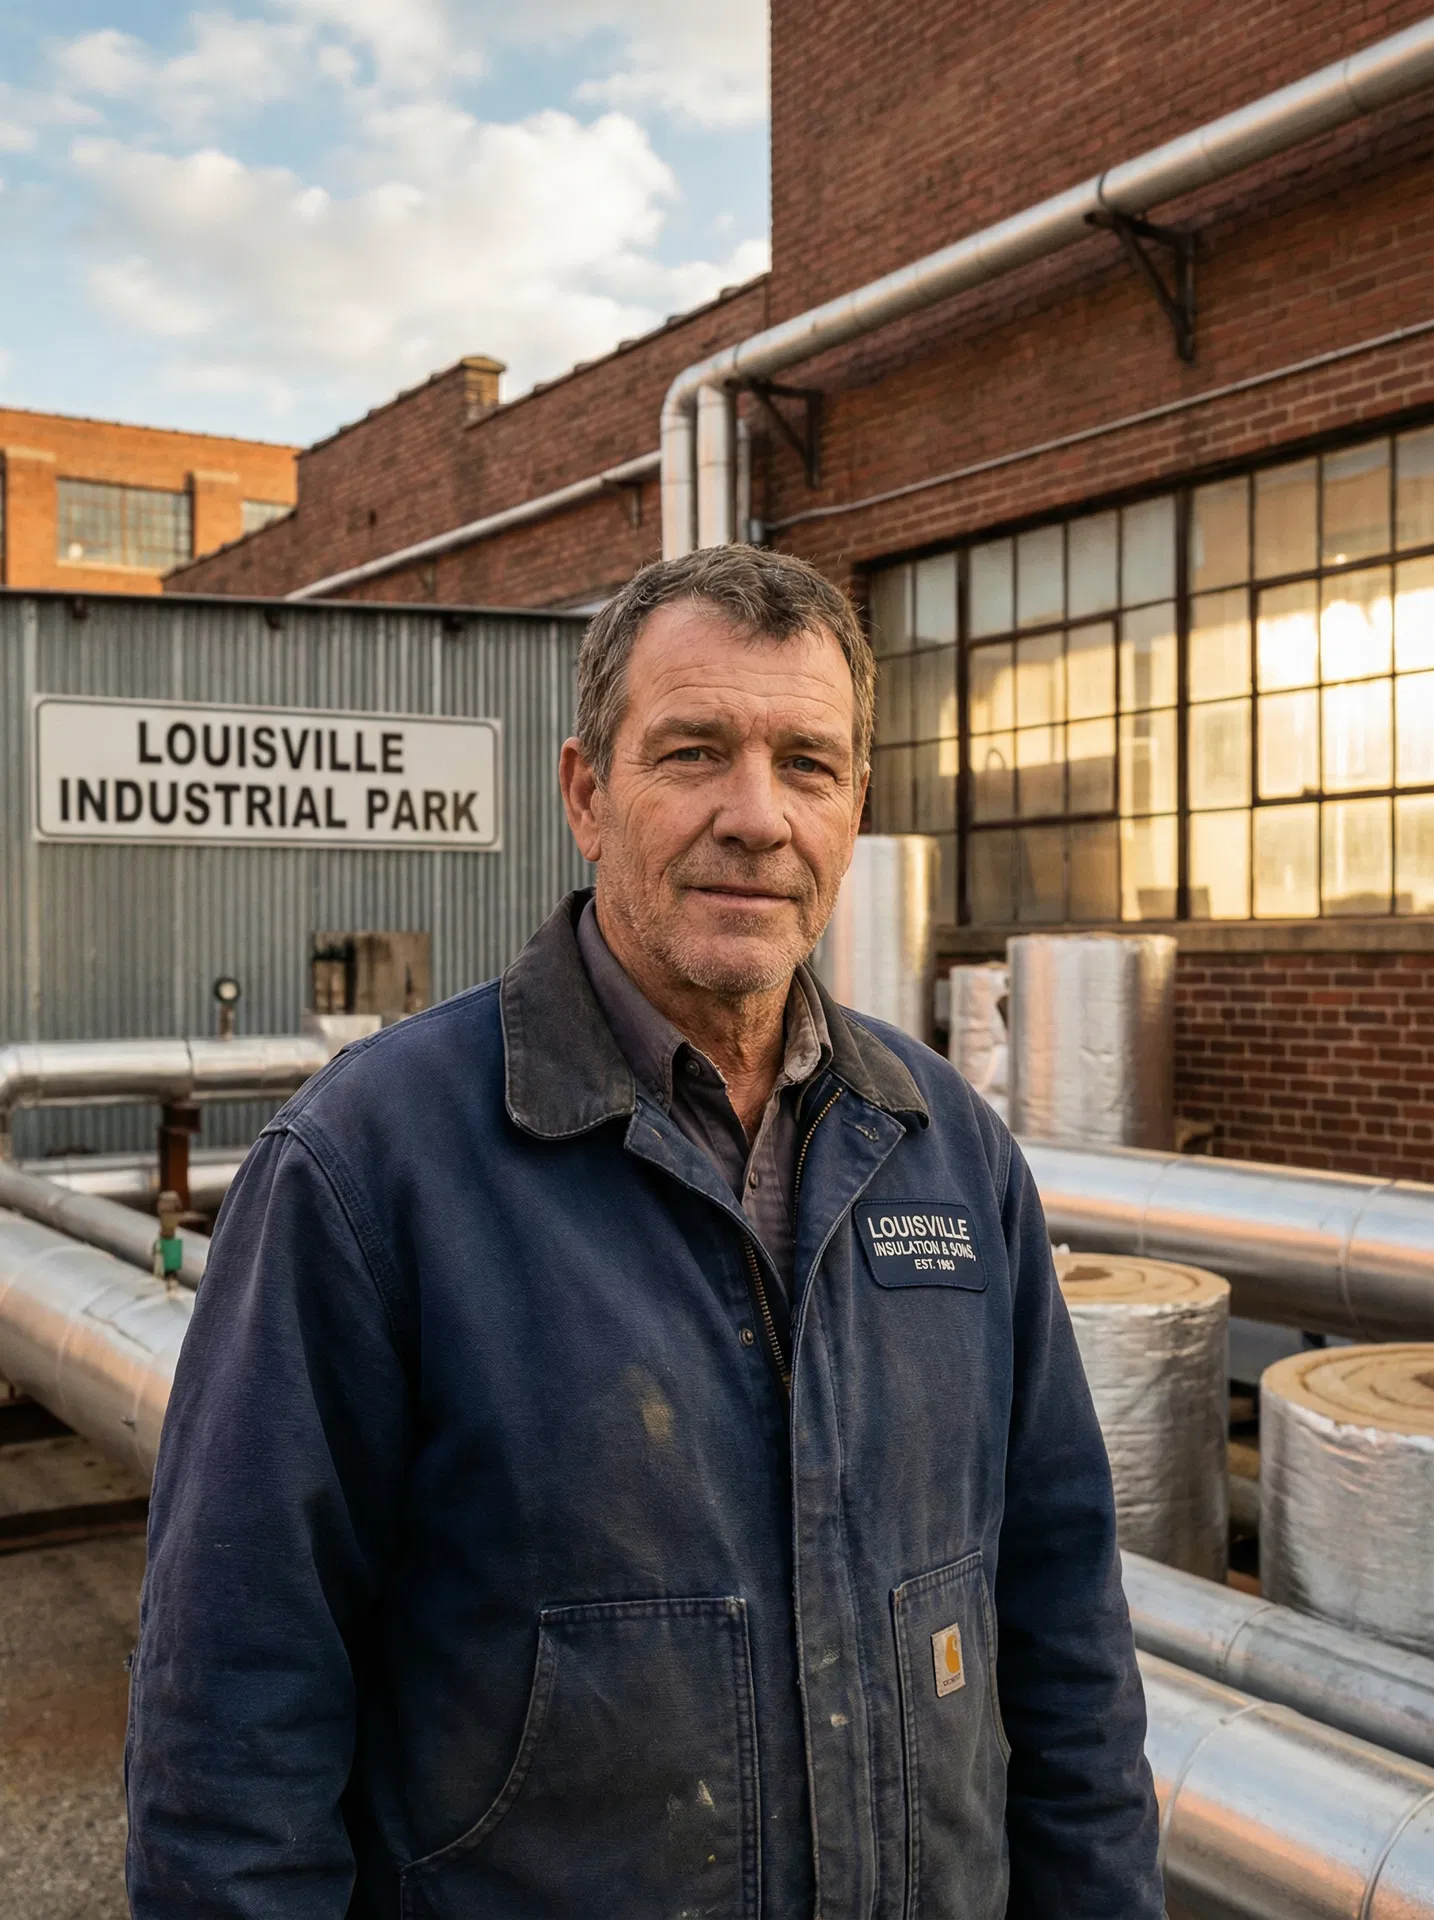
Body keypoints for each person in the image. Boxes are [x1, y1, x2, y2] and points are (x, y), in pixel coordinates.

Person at [125, 545, 1164, 1919]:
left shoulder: (948, 1150)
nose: (758, 817)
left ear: (854, 808)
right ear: (585, 795)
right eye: (693, 753)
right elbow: (232, 1718)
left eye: (808, 765)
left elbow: (1064, 1626)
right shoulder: (370, 1167)